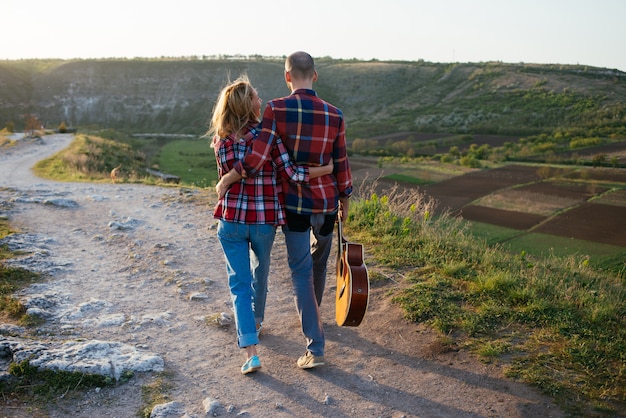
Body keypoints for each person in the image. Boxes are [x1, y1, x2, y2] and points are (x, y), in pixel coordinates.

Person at [216, 51, 353, 369]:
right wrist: (345, 199)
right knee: (317, 268)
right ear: (315, 76)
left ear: (287, 76)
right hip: (326, 204)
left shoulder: (276, 109)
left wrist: (228, 179)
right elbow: (342, 164)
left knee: (301, 273)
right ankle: (313, 320)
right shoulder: (336, 115)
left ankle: (315, 347)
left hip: (295, 205)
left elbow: (257, 156)